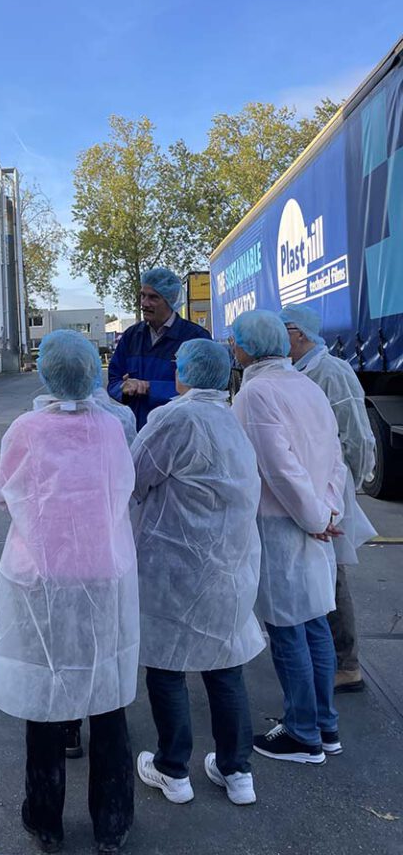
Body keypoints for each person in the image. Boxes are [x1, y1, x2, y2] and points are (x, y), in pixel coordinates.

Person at [0, 329, 139, 854]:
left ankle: (46, 820)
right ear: (94, 373)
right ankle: (112, 823)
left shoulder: (26, 429)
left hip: (43, 578)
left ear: (45, 372)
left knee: (46, 695)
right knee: (106, 694)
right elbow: (124, 490)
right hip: (103, 572)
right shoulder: (113, 427)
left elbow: (1, 495)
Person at [131, 339, 264, 807]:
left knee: (167, 667)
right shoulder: (232, 419)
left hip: (174, 566)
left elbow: (135, 474)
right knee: (224, 667)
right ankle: (237, 771)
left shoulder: (175, 418)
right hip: (228, 566)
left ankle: (173, 770)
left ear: (186, 370)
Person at [231, 310, 347, 764]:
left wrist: (314, 517)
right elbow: (333, 455)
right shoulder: (307, 384)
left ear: (247, 347)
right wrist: (328, 509)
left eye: (235, 341)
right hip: (316, 518)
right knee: (315, 622)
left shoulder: (257, 392)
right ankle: (324, 724)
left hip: (285, 525)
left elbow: (278, 467)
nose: (232, 349)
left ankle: (302, 733)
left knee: (287, 630)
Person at [279, 305, 377, 694]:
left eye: (283, 330)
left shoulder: (330, 371)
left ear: (300, 333)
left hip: (330, 490)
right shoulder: (300, 372)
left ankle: (346, 663)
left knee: (331, 575)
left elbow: (356, 433)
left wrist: (345, 488)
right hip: (314, 488)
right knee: (316, 573)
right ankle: (327, 657)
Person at [107, 268, 211, 432]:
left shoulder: (195, 338)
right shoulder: (131, 336)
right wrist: (124, 388)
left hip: (180, 434)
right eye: (142, 295)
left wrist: (150, 388)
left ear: (170, 300)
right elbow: (114, 380)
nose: (144, 303)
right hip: (138, 434)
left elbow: (204, 391)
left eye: (153, 297)